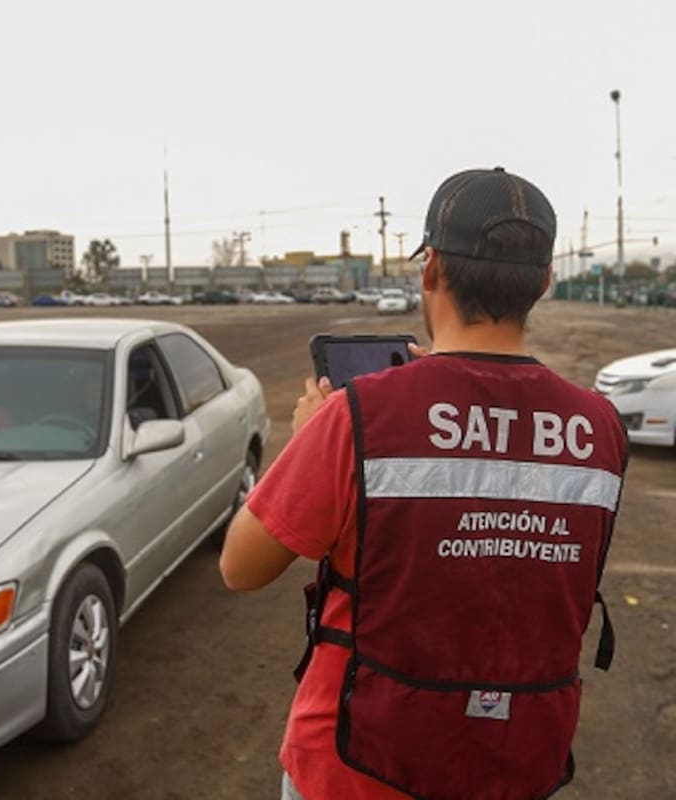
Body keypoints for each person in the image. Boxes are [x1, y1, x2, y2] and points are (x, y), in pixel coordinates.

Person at [219, 167, 627, 800]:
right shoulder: (599, 427)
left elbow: (241, 567)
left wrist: (308, 438)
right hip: (516, 761)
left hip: (354, 767)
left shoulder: (359, 416)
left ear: (430, 269)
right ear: (545, 282)